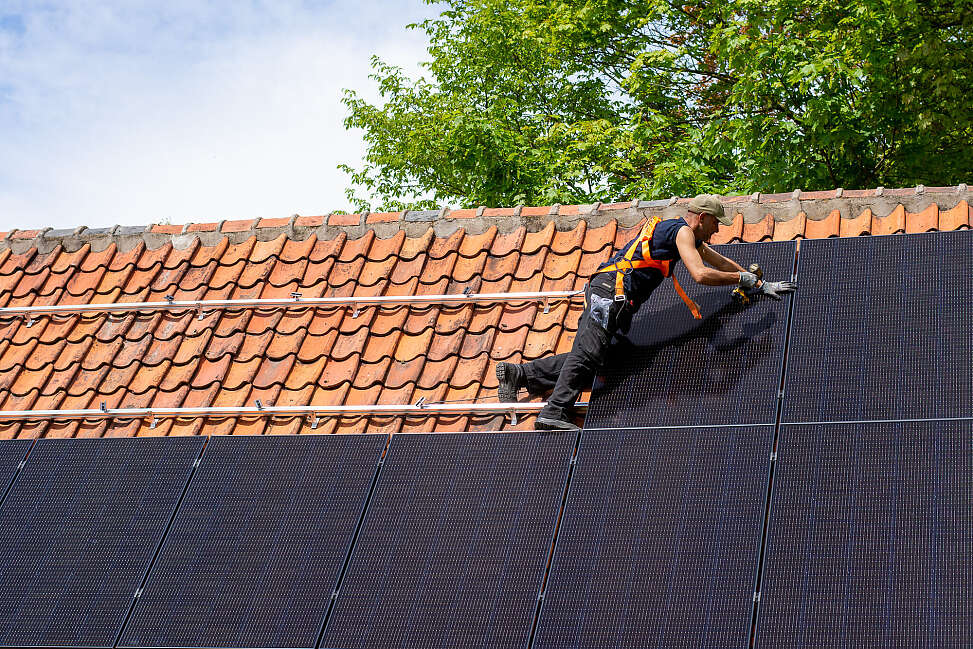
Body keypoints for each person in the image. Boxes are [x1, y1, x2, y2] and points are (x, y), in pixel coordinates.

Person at [495, 194, 797, 431]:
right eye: (716, 223)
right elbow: (701, 274)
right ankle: (554, 412)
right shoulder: (681, 232)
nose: (718, 229)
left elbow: (720, 262)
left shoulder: (681, 234)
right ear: (702, 218)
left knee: (604, 358)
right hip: (609, 294)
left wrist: (758, 282)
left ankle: (518, 375)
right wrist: (741, 279)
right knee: (588, 353)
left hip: (611, 296)